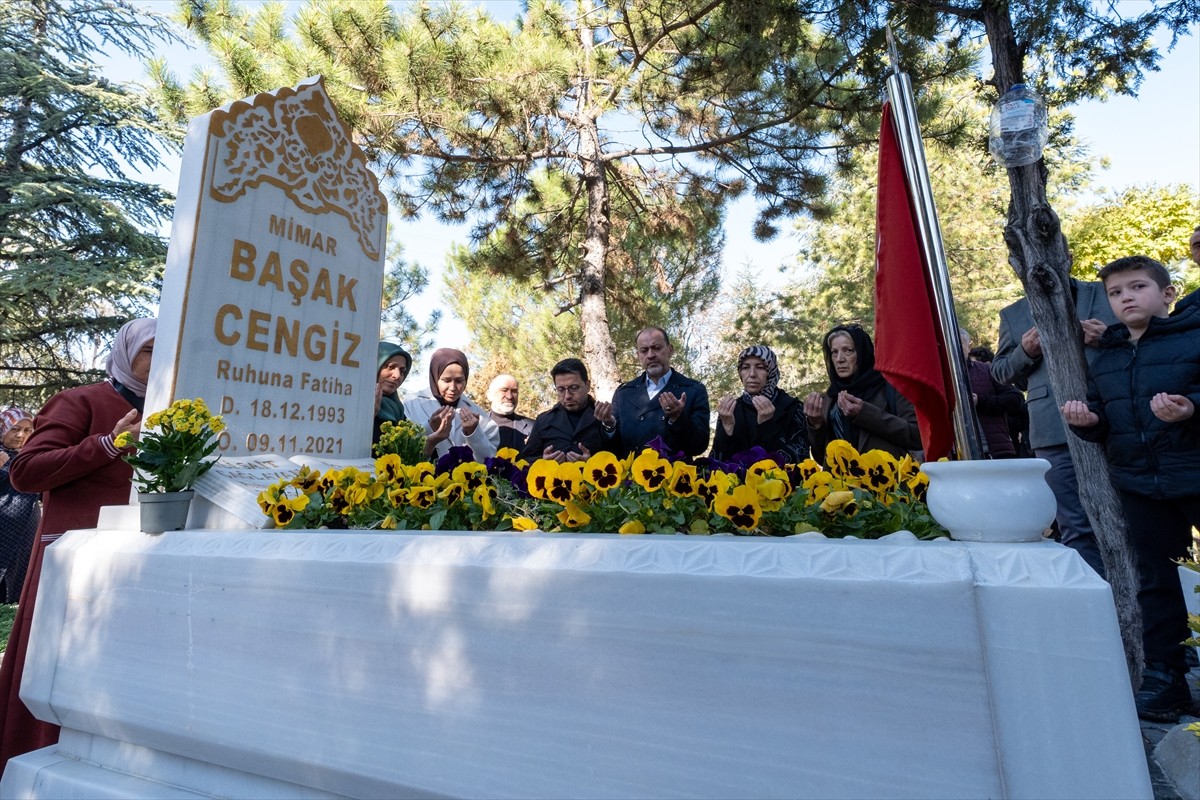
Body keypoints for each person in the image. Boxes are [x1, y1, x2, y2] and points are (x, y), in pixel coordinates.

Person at [1, 318, 154, 769]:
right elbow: (26, 472)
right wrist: (109, 443)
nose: (160, 358)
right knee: (54, 673)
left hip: (138, 565)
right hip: (73, 566)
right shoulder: (81, 401)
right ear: (126, 353)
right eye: (149, 349)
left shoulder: (176, 408)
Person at [1060, 255, 1200, 721]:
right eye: (1117, 293)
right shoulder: (1109, 354)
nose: (1126, 298)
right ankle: (1166, 680)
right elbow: (1105, 418)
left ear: (1167, 294)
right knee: (1155, 584)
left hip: (1193, 473)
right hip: (1140, 484)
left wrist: (1190, 409)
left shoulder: (1193, 337)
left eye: (1137, 287)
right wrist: (1087, 422)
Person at [993, 278, 1116, 576]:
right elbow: (1000, 373)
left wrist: (1110, 337)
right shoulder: (1013, 313)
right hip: (1052, 428)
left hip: (1118, 418)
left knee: (1129, 517)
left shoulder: (1108, 291)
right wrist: (1025, 351)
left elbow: (1147, 335)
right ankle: (1094, 599)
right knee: (1073, 524)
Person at [803, 324, 920, 462]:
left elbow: (916, 437)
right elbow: (821, 457)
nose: (840, 359)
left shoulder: (891, 388)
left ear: (863, 353)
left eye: (848, 350)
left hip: (885, 479)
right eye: (834, 352)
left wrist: (864, 413)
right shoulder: (830, 398)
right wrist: (816, 425)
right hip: (841, 482)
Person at [595, 327, 710, 458]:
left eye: (656, 348)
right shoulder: (624, 393)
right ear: (638, 356)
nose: (650, 355)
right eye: (644, 350)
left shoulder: (693, 389)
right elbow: (613, 449)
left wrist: (678, 419)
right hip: (634, 476)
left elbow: (699, 446)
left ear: (670, 350)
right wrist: (609, 426)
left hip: (675, 476)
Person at [712, 345, 808, 463]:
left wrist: (767, 426)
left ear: (770, 372)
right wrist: (727, 430)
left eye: (760, 367)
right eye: (746, 367)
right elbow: (715, 464)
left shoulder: (792, 408)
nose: (752, 374)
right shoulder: (731, 410)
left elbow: (800, 462)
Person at [404, 348, 499, 460]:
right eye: (446, 380)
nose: (453, 388)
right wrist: (429, 427)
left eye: (459, 381)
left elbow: (487, 459)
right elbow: (404, 448)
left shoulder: (478, 415)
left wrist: (473, 433)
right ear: (435, 377)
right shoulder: (412, 404)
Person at [518, 359, 608, 463]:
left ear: (587, 386)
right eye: (561, 390)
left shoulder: (604, 418)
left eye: (574, 388)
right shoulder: (543, 420)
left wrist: (591, 463)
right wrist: (543, 461)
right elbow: (524, 461)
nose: (567, 396)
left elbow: (620, 455)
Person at [959, 329, 1023, 458]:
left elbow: (1016, 399)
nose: (954, 348)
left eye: (959, 343)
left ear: (969, 347)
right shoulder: (937, 377)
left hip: (994, 450)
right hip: (955, 454)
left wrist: (981, 401)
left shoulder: (986, 370)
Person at [0, 409, 39, 604]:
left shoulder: (29, 457)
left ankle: (14, 603)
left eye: (27, 430)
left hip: (27, 525)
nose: (20, 435)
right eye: (14, 429)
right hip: (2, 525)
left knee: (21, 569)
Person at [373, 341, 412, 444]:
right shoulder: (353, 400)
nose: (397, 375)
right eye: (390, 367)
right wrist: (369, 415)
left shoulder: (397, 409)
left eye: (402, 371)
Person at [486, 374, 533, 451]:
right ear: (490, 394)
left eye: (514, 391)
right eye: (504, 390)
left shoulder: (533, 427)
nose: (510, 396)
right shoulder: (477, 426)